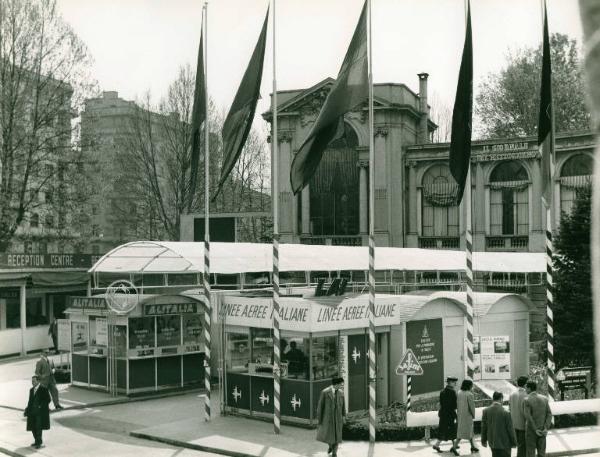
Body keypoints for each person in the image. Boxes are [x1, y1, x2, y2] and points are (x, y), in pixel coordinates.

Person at [316, 376, 346, 457]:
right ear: (336, 384)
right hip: (328, 419)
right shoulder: (325, 392)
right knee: (329, 436)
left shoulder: (341, 393)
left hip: (338, 418)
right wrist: (320, 419)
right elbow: (320, 407)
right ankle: (330, 446)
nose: (341, 386)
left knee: (337, 436)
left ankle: (334, 453)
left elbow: (343, 406)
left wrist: (343, 416)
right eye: (340, 384)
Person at [481, 391, 517, 457]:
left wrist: (483, 440)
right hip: (505, 443)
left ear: (493, 399)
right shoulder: (506, 412)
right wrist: (514, 442)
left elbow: (484, 427)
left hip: (492, 442)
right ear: (501, 399)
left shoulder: (485, 411)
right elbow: (510, 429)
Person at [523, 381, 552, 457]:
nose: (525, 389)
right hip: (542, 430)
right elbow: (549, 414)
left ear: (529, 389)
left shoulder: (527, 400)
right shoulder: (544, 399)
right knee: (542, 453)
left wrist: (535, 429)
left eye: (526, 388)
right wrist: (546, 427)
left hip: (531, 431)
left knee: (530, 453)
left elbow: (528, 416)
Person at [433, 376, 459, 455]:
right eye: (454, 382)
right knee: (451, 429)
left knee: (444, 429)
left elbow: (441, 403)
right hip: (450, 414)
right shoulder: (453, 392)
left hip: (443, 413)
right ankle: (437, 445)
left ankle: (452, 444)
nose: (455, 384)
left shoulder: (442, 391)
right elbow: (454, 405)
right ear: (450, 382)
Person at [24, 375, 51, 449]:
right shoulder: (31, 390)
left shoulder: (43, 389)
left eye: (34, 381)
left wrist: (40, 406)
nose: (32, 383)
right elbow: (30, 401)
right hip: (32, 412)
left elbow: (48, 399)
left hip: (40, 413)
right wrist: (27, 409)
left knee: (38, 427)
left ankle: (39, 443)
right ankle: (36, 441)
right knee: (32, 427)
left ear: (38, 381)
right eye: (32, 381)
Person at [454, 379, 478, 453]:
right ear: (469, 386)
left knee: (467, 431)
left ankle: (472, 446)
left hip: (460, 415)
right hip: (467, 416)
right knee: (465, 432)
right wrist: (473, 415)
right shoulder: (469, 394)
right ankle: (454, 447)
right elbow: (471, 406)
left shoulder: (459, 392)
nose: (472, 386)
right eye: (471, 385)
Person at [509, 376, 529, 457]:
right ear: (525, 384)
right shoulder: (526, 395)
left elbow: (509, 408)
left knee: (519, 445)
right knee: (523, 446)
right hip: (523, 424)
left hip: (514, 423)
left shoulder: (512, 394)